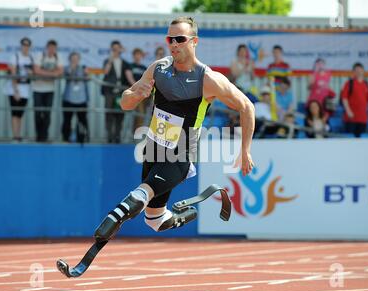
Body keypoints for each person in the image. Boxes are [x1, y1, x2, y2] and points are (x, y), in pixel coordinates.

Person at [92, 16, 255, 242]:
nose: (174, 44)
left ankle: (115, 216)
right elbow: (125, 102)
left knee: (144, 192)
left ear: (194, 41)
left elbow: (247, 106)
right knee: (154, 220)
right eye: (170, 39)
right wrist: (136, 95)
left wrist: (245, 149)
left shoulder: (208, 79)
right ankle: (186, 215)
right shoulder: (158, 69)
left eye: (180, 38)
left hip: (180, 153)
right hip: (154, 148)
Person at [101, 40, 135, 143]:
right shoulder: (107, 61)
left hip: (121, 92)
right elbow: (106, 72)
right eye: (114, 49)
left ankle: (117, 137)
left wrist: (137, 88)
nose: (116, 51)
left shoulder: (125, 63)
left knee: (120, 115)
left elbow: (130, 78)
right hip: (109, 92)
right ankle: (109, 137)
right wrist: (111, 58)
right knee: (109, 114)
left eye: (117, 48)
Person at [32, 39, 64, 142]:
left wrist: (43, 73)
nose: (51, 50)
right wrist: (51, 74)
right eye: (50, 47)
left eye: (53, 48)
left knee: (47, 114)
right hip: (37, 89)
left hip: (50, 89)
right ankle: (38, 136)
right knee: (37, 113)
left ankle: (44, 136)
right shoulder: (40, 56)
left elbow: (60, 71)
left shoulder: (58, 57)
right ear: (47, 47)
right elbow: (36, 70)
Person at [4, 37, 34, 143]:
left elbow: (32, 73)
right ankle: (15, 136)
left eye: (27, 45)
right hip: (14, 88)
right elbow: (12, 73)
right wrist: (16, 90)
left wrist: (31, 73)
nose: (25, 47)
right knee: (15, 112)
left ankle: (18, 134)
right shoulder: (15, 57)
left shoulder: (30, 58)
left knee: (20, 113)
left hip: (25, 88)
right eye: (24, 45)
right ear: (21, 46)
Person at [341, 62, 368, 138]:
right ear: (353, 72)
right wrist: (348, 111)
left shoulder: (366, 84)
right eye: (357, 70)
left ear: (363, 71)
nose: (359, 72)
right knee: (350, 140)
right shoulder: (349, 83)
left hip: (363, 119)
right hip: (351, 119)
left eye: (360, 70)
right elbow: (344, 98)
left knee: (361, 140)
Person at [61, 52, 90, 143]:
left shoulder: (83, 68)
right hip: (68, 98)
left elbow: (88, 78)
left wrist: (87, 74)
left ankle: (82, 138)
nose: (75, 60)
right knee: (67, 120)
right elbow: (67, 76)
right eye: (73, 59)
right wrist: (73, 67)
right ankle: (66, 138)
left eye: (76, 59)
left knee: (82, 120)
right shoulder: (66, 68)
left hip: (81, 99)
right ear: (70, 59)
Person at [130, 48, 148, 131]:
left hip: (142, 94)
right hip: (133, 93)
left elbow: (147, 80)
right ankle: (134, 133)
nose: (138, 56)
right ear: (133, 56)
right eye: (136, 54)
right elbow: (129, 78)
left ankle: (137, 133)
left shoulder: (144, 67)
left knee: (141, 114)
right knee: (137, 114)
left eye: (139, 54)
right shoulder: (130, 66)